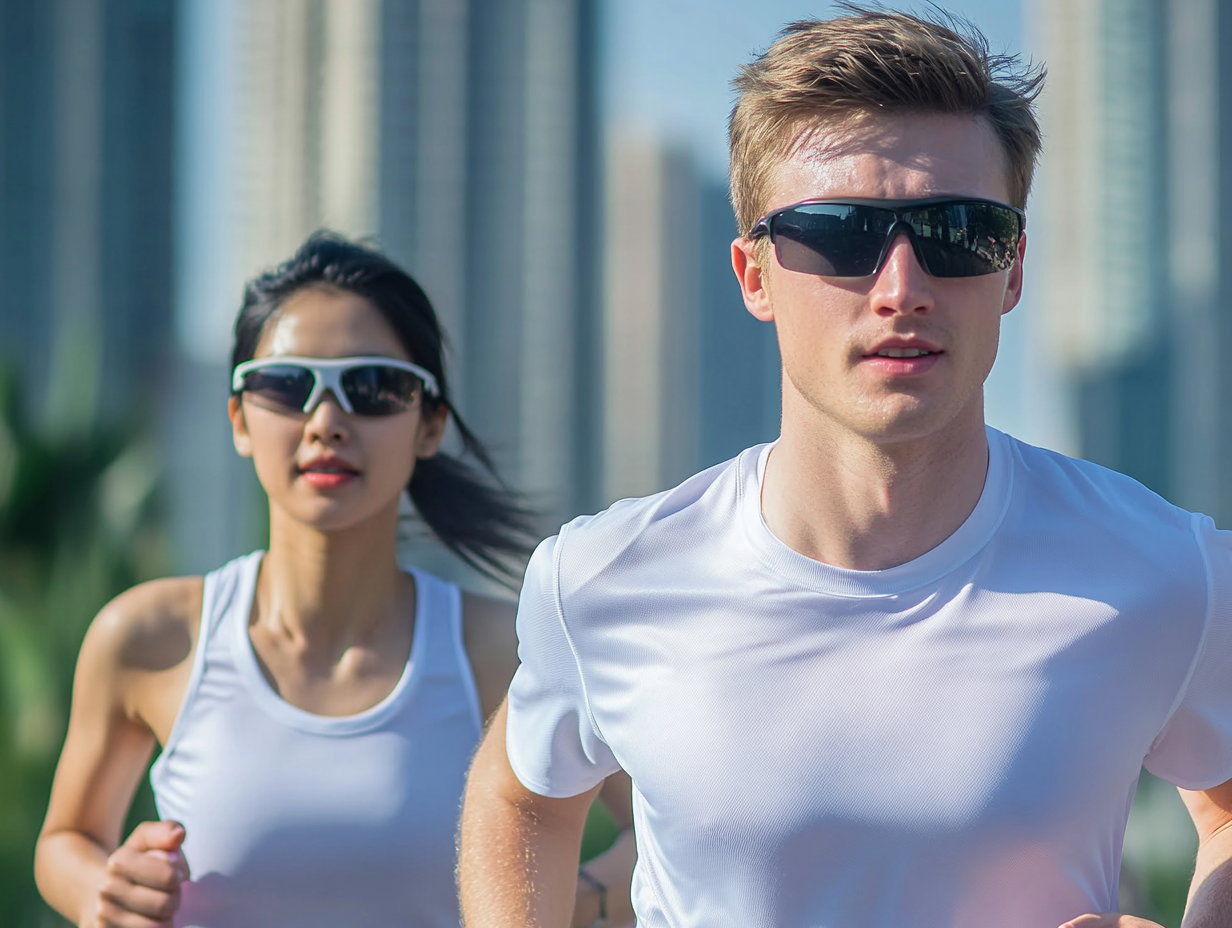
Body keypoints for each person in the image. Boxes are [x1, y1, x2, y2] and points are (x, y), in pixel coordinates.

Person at [458, 8, 1232, 928]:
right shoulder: (601, 578)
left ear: (1013, 269)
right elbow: (521, 797)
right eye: (841, 233)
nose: (902, 286)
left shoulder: (1165, 569)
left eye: (957, 232)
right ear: (754, 276)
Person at [34, 233, 635, 928]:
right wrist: (102, 891)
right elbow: (65, 840)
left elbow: (661, 831)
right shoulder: (148, 637)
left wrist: (568, 902)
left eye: (374, 387)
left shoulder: (506, 653)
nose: (326, 422)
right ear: (238, 417)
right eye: (286, 386)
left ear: (429, 424)